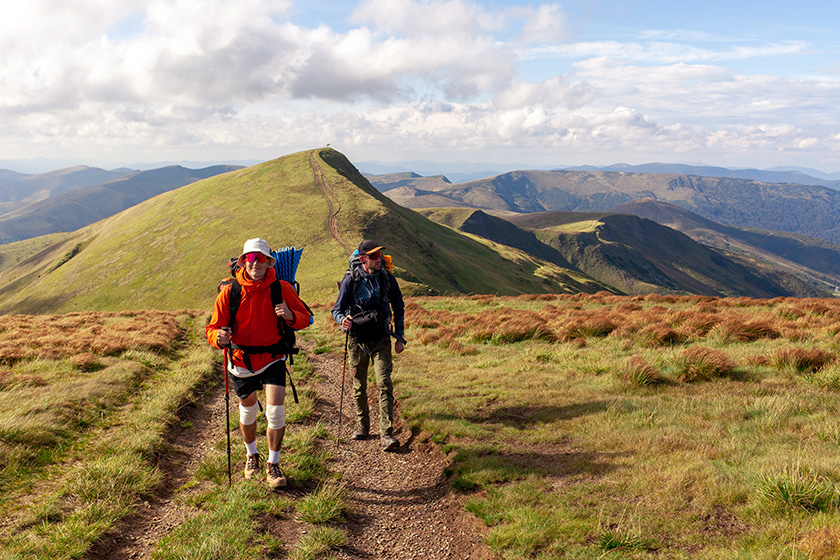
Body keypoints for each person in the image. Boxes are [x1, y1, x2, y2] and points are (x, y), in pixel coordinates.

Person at [206, 238, 312, 488]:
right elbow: (212, 328)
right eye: (251, 258)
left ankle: (272, 464)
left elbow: (307, 319)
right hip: (241, 359)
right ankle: (251, 455)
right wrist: (217, 338)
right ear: (243, 262)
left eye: (261, 258)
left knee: (275, 411)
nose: (256, 263)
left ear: (268, 261)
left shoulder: (283, 288)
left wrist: (290, 315)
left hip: (273, 358)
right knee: (248, 410)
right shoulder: (230, 292)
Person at [332, 240, 406, 451]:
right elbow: (336, 310)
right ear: (363, 259)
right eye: (373, 256)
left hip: (382, 338)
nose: (378, 259)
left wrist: (399, 337)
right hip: (357, 341)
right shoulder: (351, 280)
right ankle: (363, 426)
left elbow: (398, 306)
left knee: (384, 383)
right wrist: (342, 321)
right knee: (359, 386)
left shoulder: (387, 278)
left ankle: (386, 434)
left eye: (380, 255)